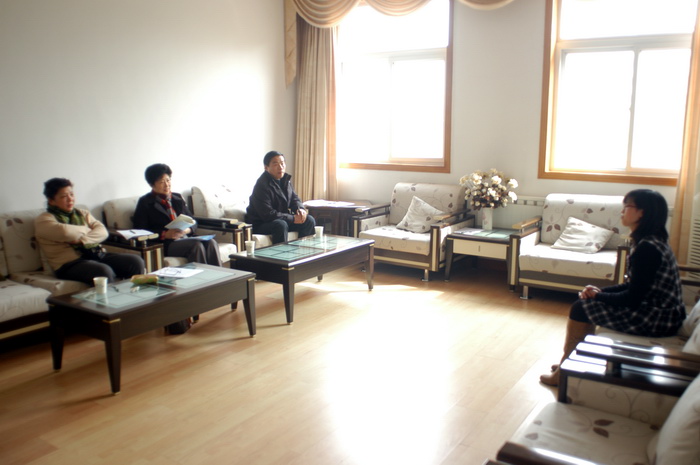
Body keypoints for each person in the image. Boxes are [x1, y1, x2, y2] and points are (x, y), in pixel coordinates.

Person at [540, 189, 686, 386]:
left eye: (627, 207)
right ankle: (569, 362)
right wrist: (600, 292)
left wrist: (597, 297)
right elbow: (633, 286)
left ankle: (564, 372)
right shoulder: (651, 241)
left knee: (581, 307)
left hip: (657, 319)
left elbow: (632, 298)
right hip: (663, 313)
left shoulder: (647, 249)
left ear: (642, 212)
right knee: (585, 303)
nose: (622, 211)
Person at [35, 178, 145, 285]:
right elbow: (66, 232)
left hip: (95, 254)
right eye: (64, 196)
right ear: (51, 200)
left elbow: (103, 232)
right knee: (103, 271)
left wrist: (83, 240)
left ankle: (134, 294)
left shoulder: (82, 213)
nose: (70, 199)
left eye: (71, 194)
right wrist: (88, 229)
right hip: (68, 264)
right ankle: (111, 297)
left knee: (135, 261)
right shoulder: (44, 220)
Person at [133, 163, 222, 266]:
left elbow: (193, 221)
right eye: (162, 182)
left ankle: (221, 275)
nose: (166, 185)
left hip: (186, 237)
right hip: (166, 243)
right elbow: (140, 230)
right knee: (196, 245)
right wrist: (164, 234)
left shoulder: (177, 198)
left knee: (211, 242)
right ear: (152, 184)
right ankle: (203, 276)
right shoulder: (145, 202)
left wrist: (187, 230)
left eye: (168, 180)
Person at [245, 150, 315, 244]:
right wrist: (293, 218)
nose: (280, 167)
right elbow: (268, 214)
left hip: (280, 220)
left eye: (282, 163)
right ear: (266, 167)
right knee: (280, 224)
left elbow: (294, 198)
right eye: (275, 164)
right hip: (261, 223)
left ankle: (302, 250)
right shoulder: (262, 185)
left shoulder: (285, 180)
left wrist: (300, 209)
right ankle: (282, 253)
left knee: (309, 220)